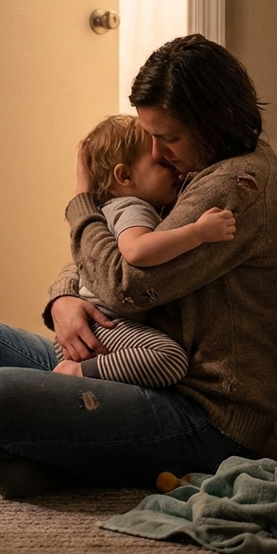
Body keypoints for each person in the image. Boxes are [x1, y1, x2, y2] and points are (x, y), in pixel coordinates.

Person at [0, 34, 277, 499]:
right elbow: (109, 254)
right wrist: (64, 298)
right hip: (121, 358)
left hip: (198, 412)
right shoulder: (197, 166)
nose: (158, 153)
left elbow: (122, 283)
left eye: (168, 138)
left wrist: (83, 202)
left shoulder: (234, 187)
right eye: (152, 138)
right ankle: (32, 461)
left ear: (215, 118)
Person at [55, 113, 236, 388]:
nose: (176, 170)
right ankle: (78, 373)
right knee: (170, 359)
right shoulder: (132, 208)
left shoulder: (114, 209)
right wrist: (199, 232)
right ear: (125, 175)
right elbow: (137, 251)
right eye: (162, 165)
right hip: (103, 324)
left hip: (96, 325)